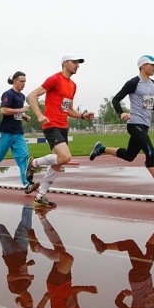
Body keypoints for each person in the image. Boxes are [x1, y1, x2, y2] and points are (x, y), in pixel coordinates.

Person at [89, 55, 154, 198]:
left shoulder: (153, 83)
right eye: (152, 65)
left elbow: (150, 99)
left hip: (145, 124)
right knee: (151, 152)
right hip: (134, 123)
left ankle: (101, 148)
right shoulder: (133, 83)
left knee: (130, 156)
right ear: (143, 66)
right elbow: (116, 99)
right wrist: (121, 113)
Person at [25, 54, 95, 208]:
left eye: (79, 62)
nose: (77, 65)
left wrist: (82, 116)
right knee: (66, 157)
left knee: (58, 162)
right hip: (51, 125)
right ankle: (34, 162)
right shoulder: (55, 79)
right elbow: (31, 96)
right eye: (74, 62)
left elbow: (68, 109)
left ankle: (40, 196)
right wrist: (39, 115)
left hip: (63, 126)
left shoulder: (73, 85)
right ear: (64, 63)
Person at [90, 224, 154, 308]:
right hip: (146, 276)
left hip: (137, 279)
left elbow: (118, 303)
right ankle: (103, 247)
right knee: (133, 246)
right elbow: (151, 294)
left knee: (150, 256)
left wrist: (123, 293)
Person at [31, 207, 97, 308]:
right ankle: (41, 216)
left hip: (55, 286)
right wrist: (86, 288)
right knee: (60, 249)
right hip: (66, 282)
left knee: (67, 258)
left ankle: (36, 247)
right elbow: (72, 292)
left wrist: (45, 299)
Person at [0, 72, 39, 194]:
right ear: (15, 81)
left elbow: (16, 112)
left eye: (25, 81)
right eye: (21, 81)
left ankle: (27, 184)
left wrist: (24, 116)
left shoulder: (22, 96)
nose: (23, 84)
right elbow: (3, 110)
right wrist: (21, 110)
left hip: (18, 132)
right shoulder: (8, 94)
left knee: (23, 158)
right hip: (6, 132)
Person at [0, 206, 36, 308]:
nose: (30, 298)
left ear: (22, 300)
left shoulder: (14, 290)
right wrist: (28, 264)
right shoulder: (28, 284)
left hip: (10, 254)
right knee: (26, 228)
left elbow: (10, 277)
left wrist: (26, 276)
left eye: (28, 300)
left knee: (1, 228)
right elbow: (20, 269)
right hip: (22, 251)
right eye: (32, 300)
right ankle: (29, 207)